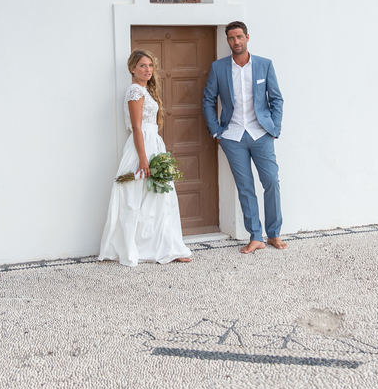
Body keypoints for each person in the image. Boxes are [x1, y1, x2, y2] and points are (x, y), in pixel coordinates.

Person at [97, 50, 193, 266]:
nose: (147, 69)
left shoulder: (145, 90)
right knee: (136, 196)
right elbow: (137, 127)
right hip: (142, 146)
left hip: (153, 144)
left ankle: (166, 245)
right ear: (132, 68)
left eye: (150, 65)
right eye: (142, 65)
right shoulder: (134, 91)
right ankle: (137, 246)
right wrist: (143, 159)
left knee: (159, 196)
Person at [201, 21, 284, 254]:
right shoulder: (218, 68)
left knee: (271, 182)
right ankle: (255, 236)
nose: (235, 42)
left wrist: (274, 127)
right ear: (227, 40)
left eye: (239, 37)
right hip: (233, 136)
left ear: (247, 37)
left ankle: (274, 233)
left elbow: (276, 99)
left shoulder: (264, 65)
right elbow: (208, 100)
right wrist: (217, 131)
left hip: (261, 134)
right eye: (231, 38)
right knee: (245, 187)